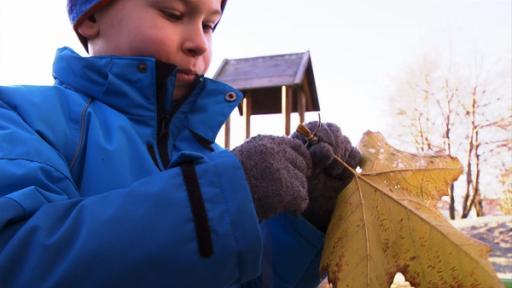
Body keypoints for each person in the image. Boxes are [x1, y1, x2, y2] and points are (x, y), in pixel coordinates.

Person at [0, 0, 360, 287]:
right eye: (173, 13)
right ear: (91, 17)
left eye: (209, 25)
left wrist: (306, 225)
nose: (199, 43)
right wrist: (217, 201)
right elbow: (17, 259)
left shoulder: (216, 161)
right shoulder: (21, 117)